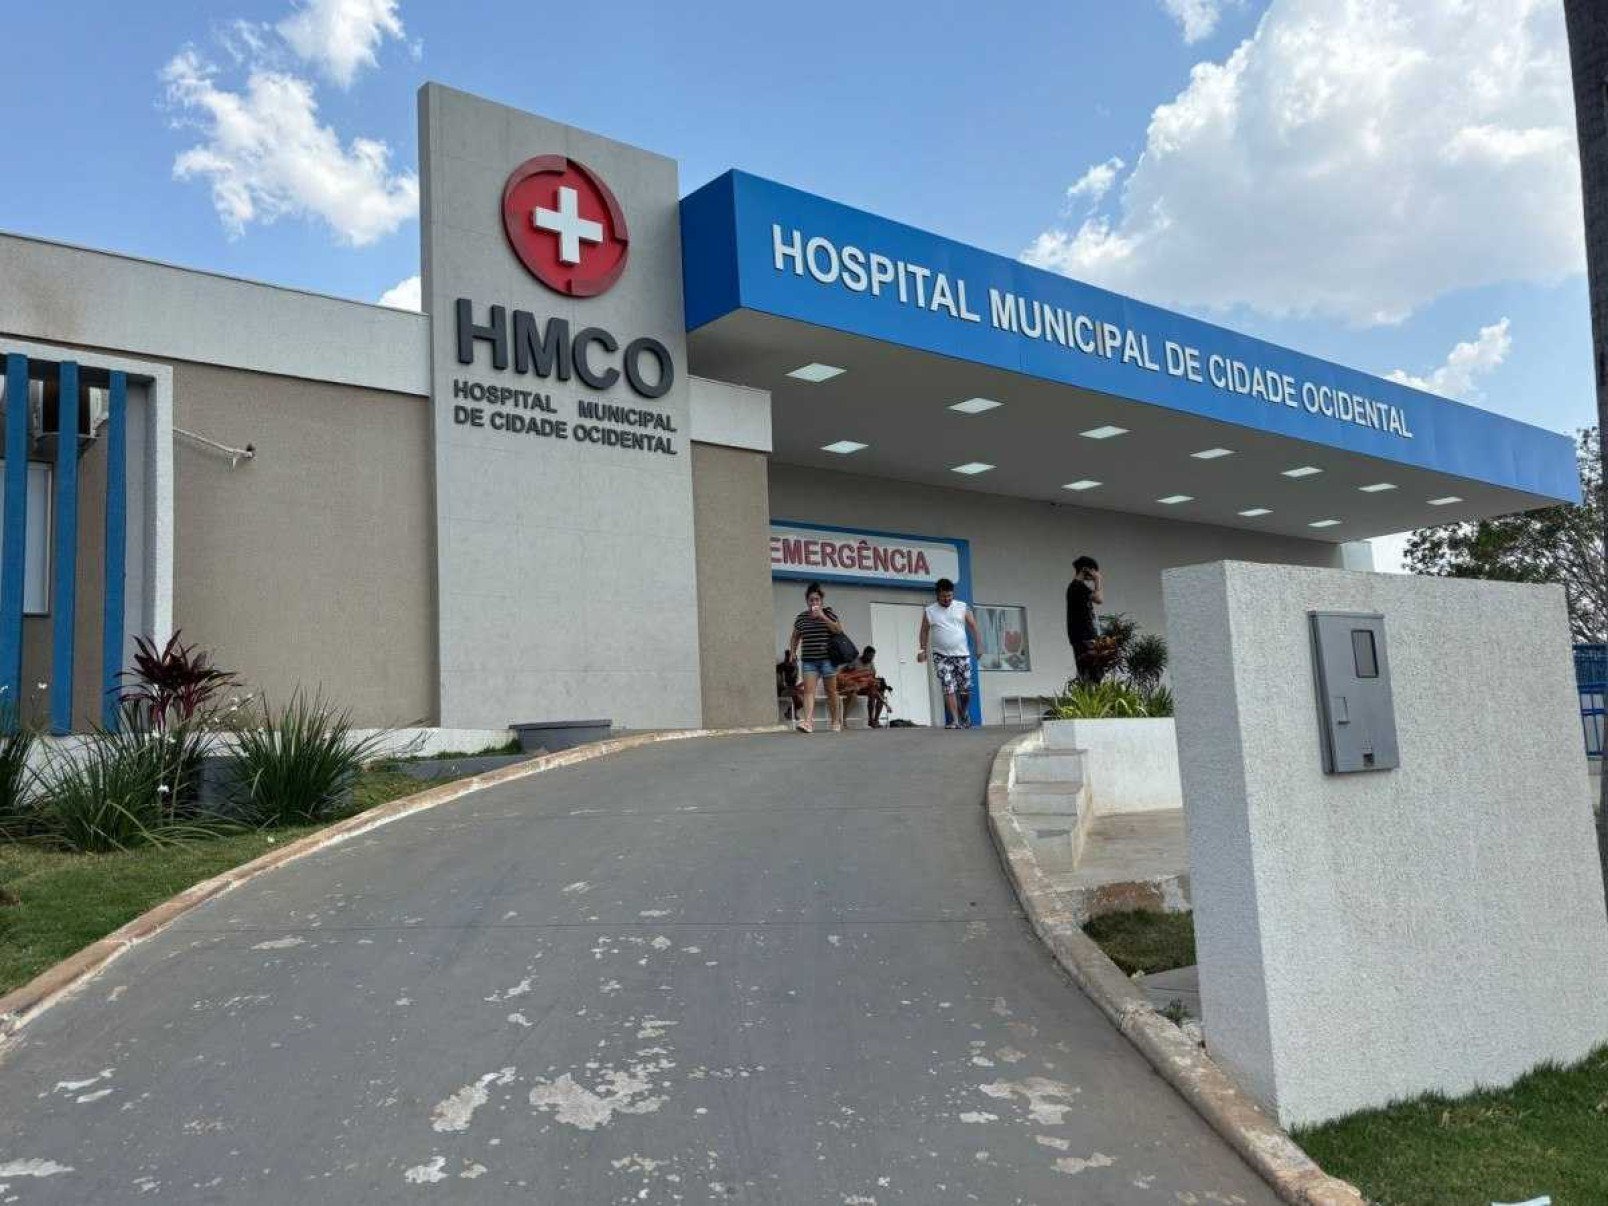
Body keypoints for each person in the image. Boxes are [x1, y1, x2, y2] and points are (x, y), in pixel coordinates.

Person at [918, 577, 981, 729]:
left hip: (962, 654)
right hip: (941, 656)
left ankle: (963, 711)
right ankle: (955, 720)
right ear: (937, 595)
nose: (947, 599)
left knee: (965, 690)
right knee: (948, 687)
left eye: (949, 596)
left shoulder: (962, 607)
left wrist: (979, 646)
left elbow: (973, 626)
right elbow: (924, 631)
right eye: (943, 596)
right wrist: (922, 650)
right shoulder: (930, 611)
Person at [788, 581, 847, 734]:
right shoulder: (801, 617)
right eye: (811, 600)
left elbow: (838, 630)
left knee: (831, 691)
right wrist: (793, 652)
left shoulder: (828, 613)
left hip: (828, 660)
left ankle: (835, 721)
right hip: (809, 661)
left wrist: (822, 617)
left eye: (817, 599)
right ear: (807, 601)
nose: (814, 602)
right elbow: (795, 636)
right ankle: (808, 722)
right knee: (808, 691)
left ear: (821, 601)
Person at [1066, 555, 1104, 682]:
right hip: (1084, 636)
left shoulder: (1078, 587)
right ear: (1085, 569)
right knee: (1092, 672)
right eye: (1093, 571)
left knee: (1091, 671)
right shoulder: (1077, 587)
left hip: (1082, 636)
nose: (1094, 574)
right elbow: (1099, 599)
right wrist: (1098, 580)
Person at [835, 646, 889, 728]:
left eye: (872, 656)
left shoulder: (871, 663)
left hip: (866, 686)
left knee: (879, 692)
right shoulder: (855, 662)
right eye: (869, 656)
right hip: (856, 687)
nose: (871, 658)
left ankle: (874, 720)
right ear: (864, 654)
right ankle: (844, 719)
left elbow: (872, 676)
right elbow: (843, 672)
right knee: (855, 695)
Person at [776, 649, 805, 722]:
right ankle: (791, 712)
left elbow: (795, 683)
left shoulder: (795, 667)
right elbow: (781, 683)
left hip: (792, 689)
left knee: (805, 693)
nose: (794, 662)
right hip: (783, 690)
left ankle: (791, 711)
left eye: (795, 660)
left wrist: (800, 685)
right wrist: (783, 682)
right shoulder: (782, 667)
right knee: (796, 694)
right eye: (792, 659)